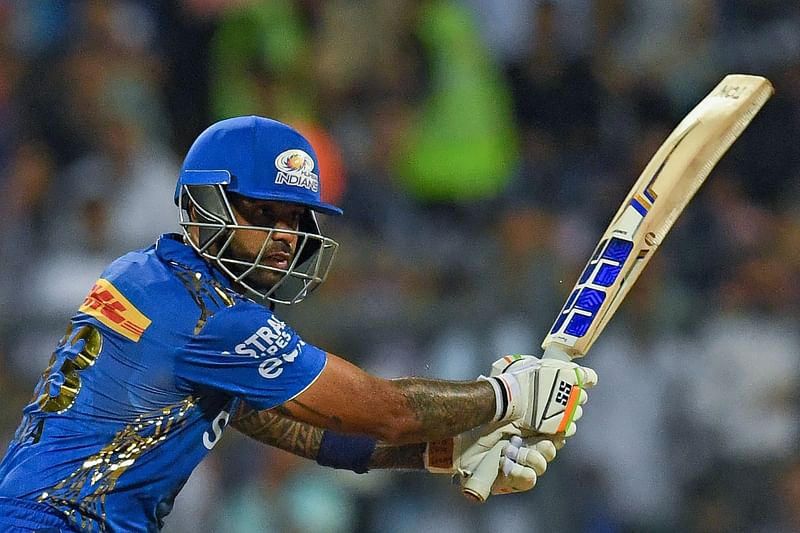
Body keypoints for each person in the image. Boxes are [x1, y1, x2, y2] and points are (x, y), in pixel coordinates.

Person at [0, 116, 597, 532]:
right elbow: (383, 408)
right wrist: (507, 397)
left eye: (296, 217)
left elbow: (296, 431)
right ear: (206, 204)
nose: (285, 237)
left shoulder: (145, 274)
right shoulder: (214, 318)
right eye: (262, 213)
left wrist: (440, 452)